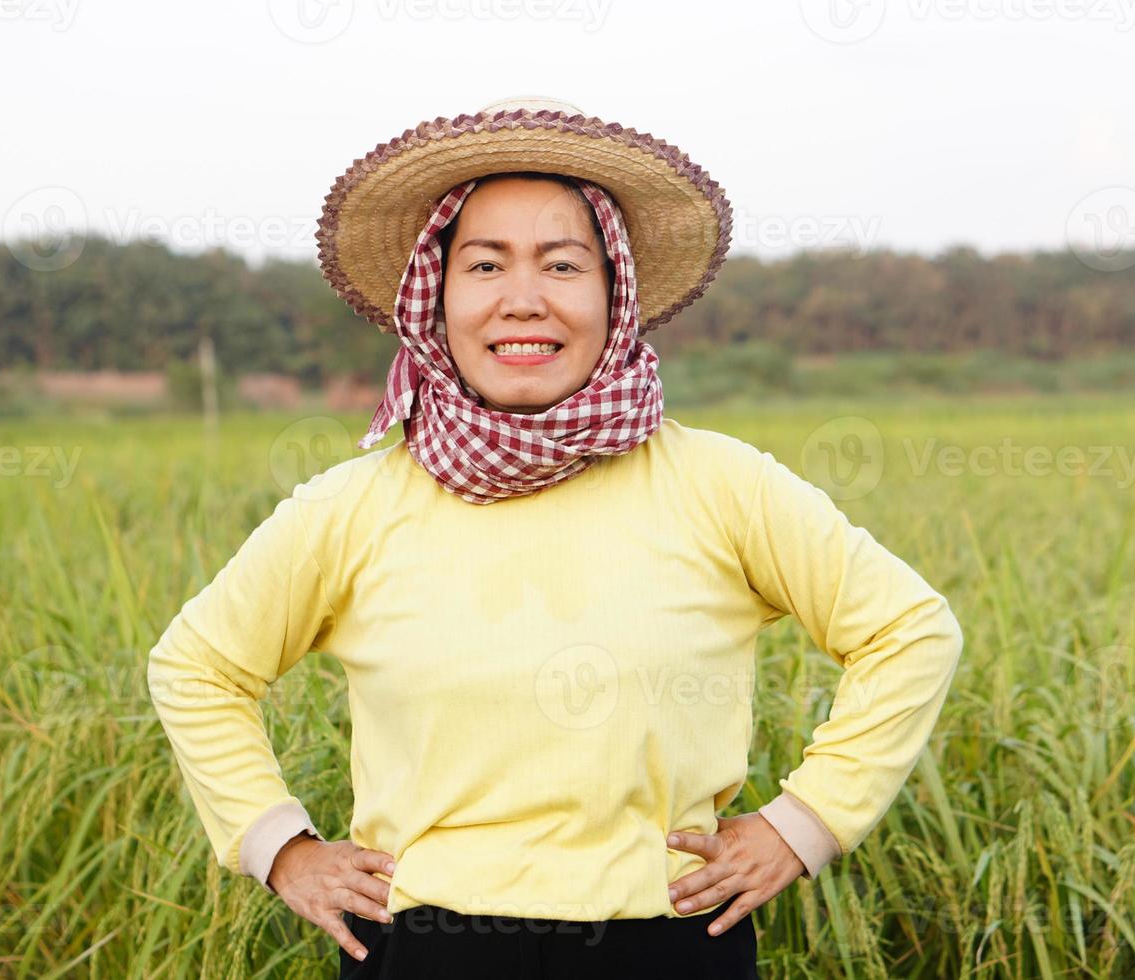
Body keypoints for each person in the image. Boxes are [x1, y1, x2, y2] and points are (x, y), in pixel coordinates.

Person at [146, 96, 964, 980]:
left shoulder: (721, 484)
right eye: (486, 264)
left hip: (666, 943)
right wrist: (281, 848)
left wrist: (802, 827)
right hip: (425, 950)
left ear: (616, 293)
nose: (523, 301)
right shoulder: (355, 507)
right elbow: (198, 667)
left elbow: (908, 631)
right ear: (437, 295)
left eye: (563, 264)